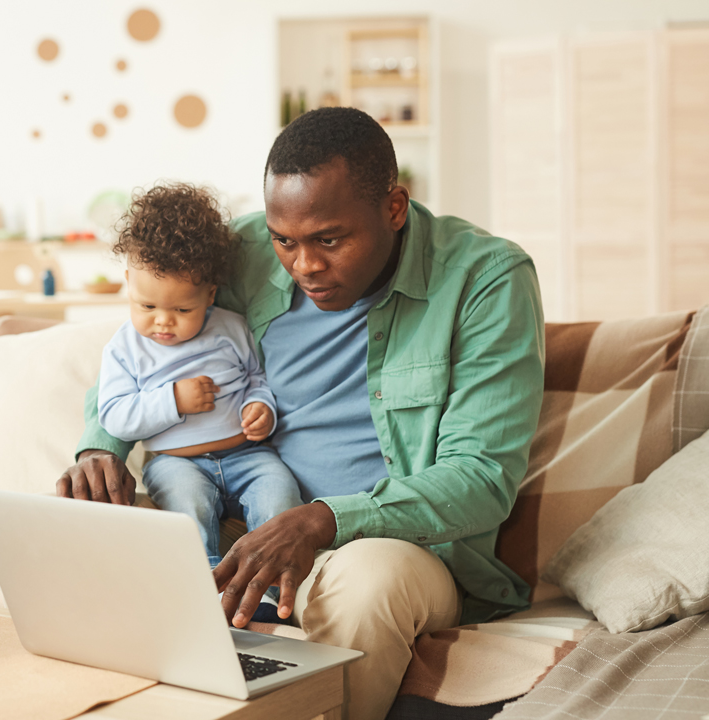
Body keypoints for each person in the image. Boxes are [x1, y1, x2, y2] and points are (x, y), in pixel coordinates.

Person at [57, 107, 545, 720]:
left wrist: (320, 521)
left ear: (394, 208)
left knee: (368, 584)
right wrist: (99, 445)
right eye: (285, 241)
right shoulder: (245, 250)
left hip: (395, 545)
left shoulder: (485, 279)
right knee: (89, 535)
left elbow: (480, 480)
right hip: (245, 515)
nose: (304, 265)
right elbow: (143, 347)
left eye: (329, 240)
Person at [97, 184, 302, 574]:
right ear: (128, 282)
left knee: (279, 492)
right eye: (147, 305)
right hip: (177, 462)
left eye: (182, 308)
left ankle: (269, 588)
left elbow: (256, 377)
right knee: (188, 505)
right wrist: (173, 400)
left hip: (247, 454)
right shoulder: (124, 348)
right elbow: (115, 415)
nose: (162, 320)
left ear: (210, 294)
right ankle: (203, 584)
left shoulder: (231, 327)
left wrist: (260, 407)